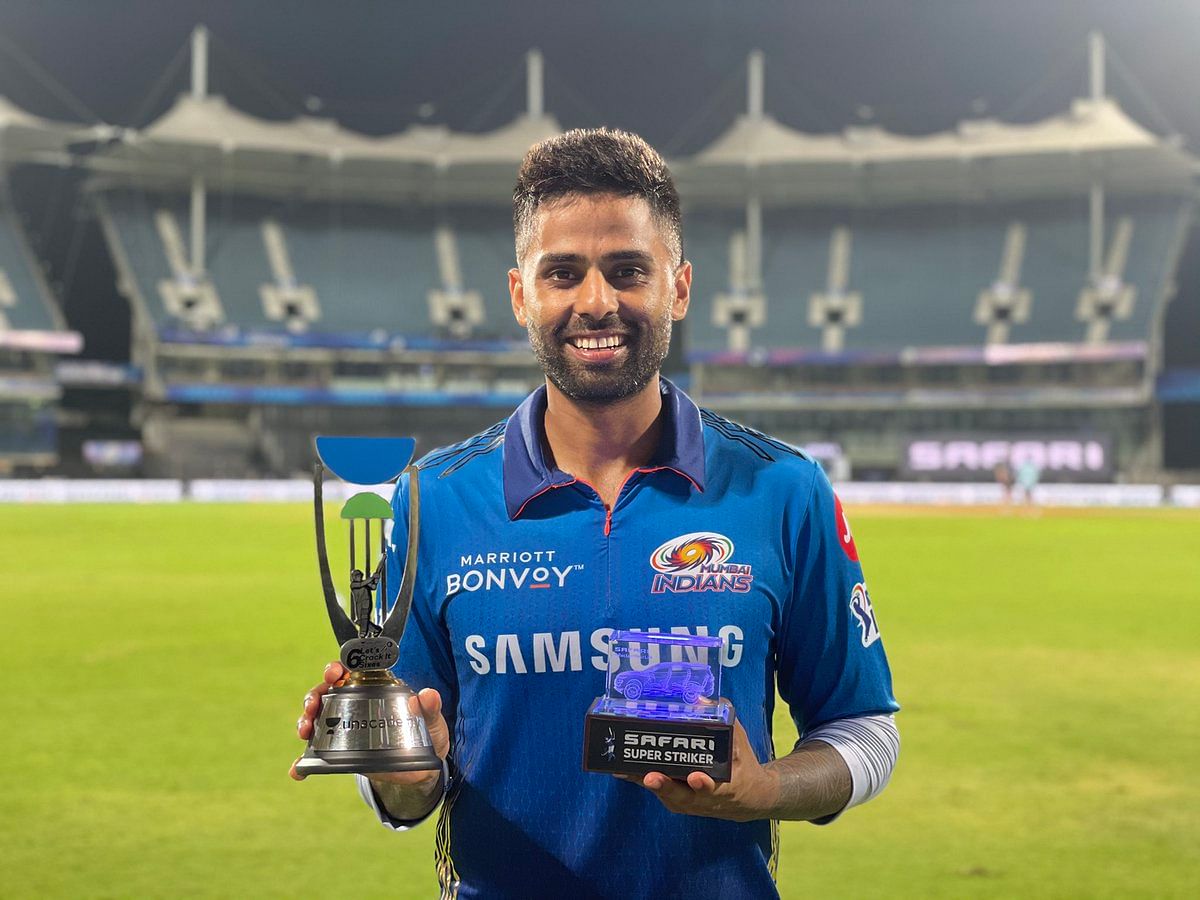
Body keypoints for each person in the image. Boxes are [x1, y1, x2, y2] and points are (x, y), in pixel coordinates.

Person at [292, 128, 899, 898]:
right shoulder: (432, 499)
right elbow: (410, 787)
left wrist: (767, 788)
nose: (596, 302)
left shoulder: (785, 489)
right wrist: (404, 774)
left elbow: (866, 729)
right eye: (564, 273)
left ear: (678, 287)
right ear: (522, 295)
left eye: (627, 271)